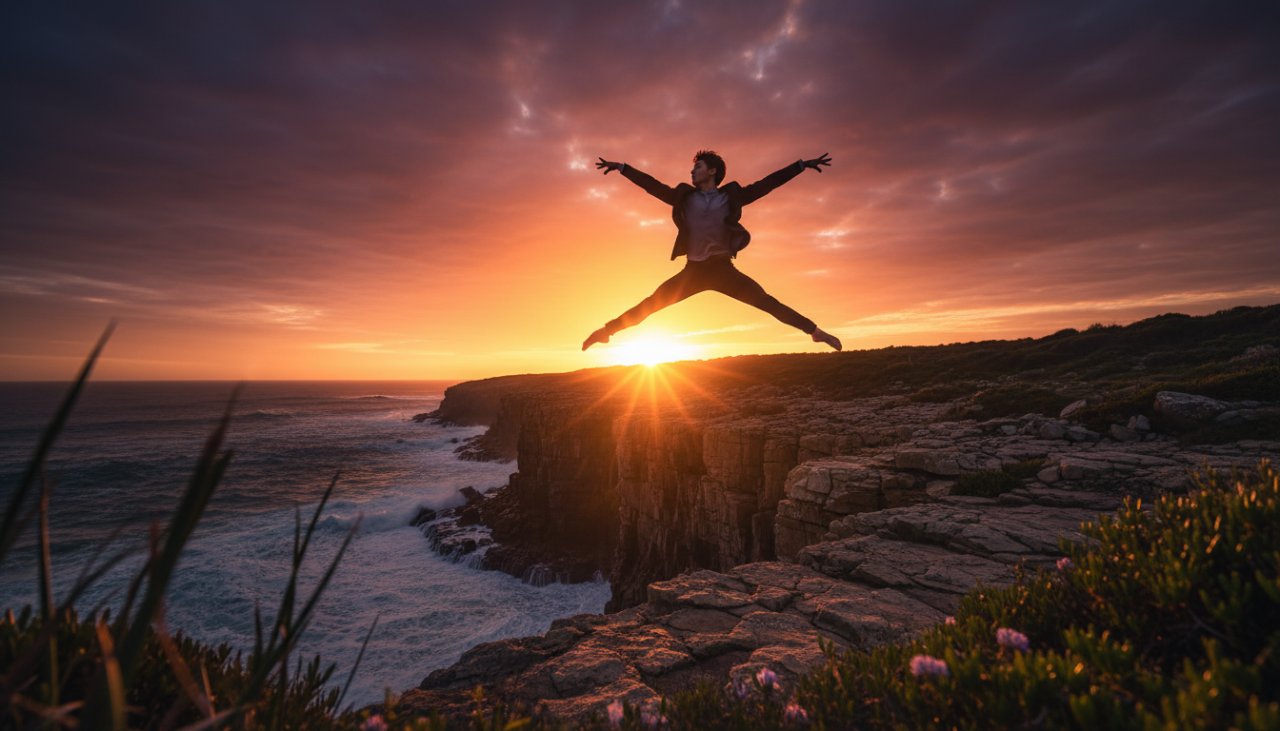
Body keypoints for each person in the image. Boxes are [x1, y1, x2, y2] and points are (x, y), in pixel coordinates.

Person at [583, 149, 842, 352]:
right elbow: (652, 186)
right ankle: (607, 332)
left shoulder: (731, 197)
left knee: (766, 302)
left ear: (712, 171)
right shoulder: (684, 197)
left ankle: (815, 332)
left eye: (698, 167)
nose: (692, 171)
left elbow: (767, 184)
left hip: (723, 271)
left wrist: (799, 166)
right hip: (692, 272)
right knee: (651, 304)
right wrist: (622, 168)